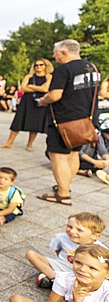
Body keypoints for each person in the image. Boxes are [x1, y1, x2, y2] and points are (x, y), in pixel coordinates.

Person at [38, 39, 102, 206]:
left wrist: (43, 100)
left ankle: (63, 194)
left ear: (64, 52)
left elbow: (55, 95)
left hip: (64, 120)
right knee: (73, 154)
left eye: (56, 52)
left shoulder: (63, 69)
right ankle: (65, 185)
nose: (53, 56)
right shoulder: (93, 68)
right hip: (85, 120)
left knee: (57, 155)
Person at [26, 212, 106, 289]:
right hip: (60, 265)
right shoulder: (62, 238)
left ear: (95, 235)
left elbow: (103, 267)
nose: (72, 231)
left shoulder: (100, 249)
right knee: (30, 254)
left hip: (81, 272)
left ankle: (55, 280)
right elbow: (58, 250)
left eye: (79, 230)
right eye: (69, 226)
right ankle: (55, 278)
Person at [0, 59, 53, 150]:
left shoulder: (49, 76)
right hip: (27, 101)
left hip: (40, 101)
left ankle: (30, 144)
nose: (38, 67)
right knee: (18, 121)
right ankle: (9, 142)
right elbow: (22, 88)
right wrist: (38, 88)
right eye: (36, 65)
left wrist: (30, 86)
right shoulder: (29, 76)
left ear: (46, 66)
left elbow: (45, 89)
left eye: (41, 65)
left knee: (35, 123)